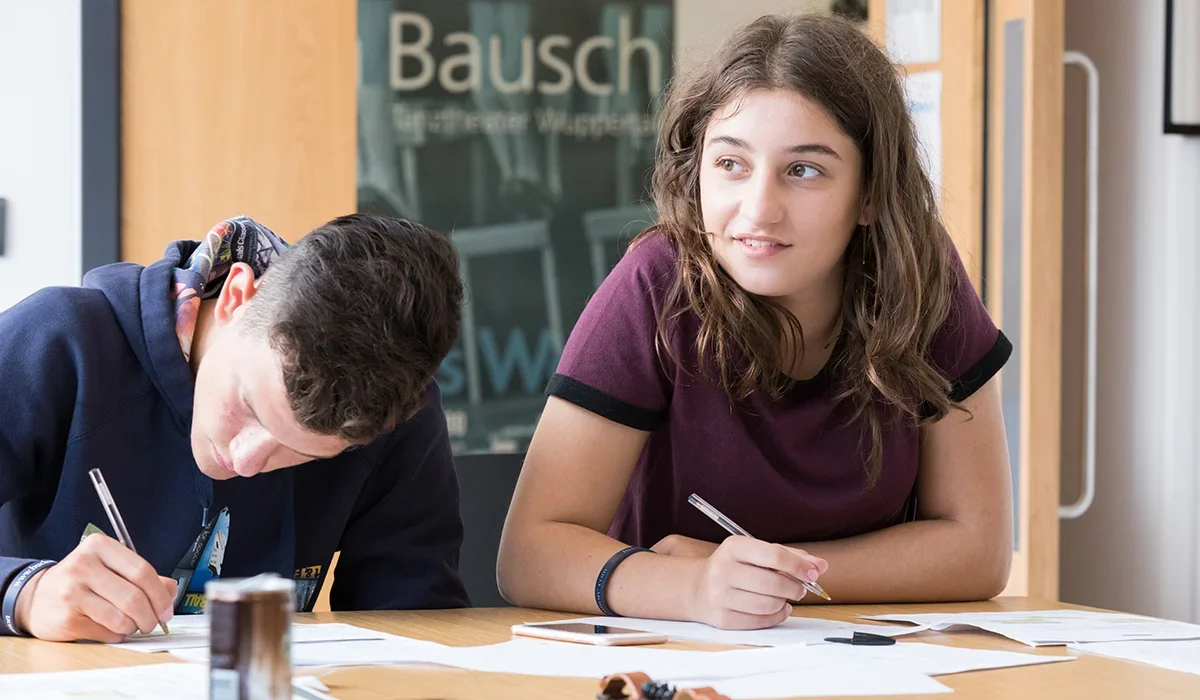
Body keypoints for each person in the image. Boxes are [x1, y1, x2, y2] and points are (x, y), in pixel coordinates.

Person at [497, 13, 1014, 631]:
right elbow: (528, 553)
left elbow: (978, 551)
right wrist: (690, 589)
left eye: (804, 170)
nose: (759, 209)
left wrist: (768, 578)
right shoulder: (655, 284)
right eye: (731, 165)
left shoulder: (921, 278)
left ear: (872, 192)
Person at [0, 213, 469, 642]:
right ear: (236, 297)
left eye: (303, 452)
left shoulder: (391, 413)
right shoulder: (57, 343)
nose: (245, 462)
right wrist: (22, 594)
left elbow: (414, 622)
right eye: (250, 405)